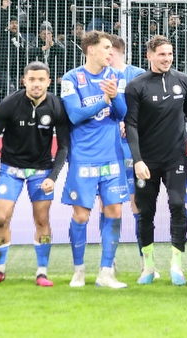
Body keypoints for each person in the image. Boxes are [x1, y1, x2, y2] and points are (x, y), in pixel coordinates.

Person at [0, 62, 70, 288]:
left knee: (42, 220)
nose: (36, 84)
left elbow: (64, 147)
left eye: (41, 80)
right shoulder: (10, 103)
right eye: (32, 80)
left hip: (41, 173)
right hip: (10, 171)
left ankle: (42, 272)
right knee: (1, 218)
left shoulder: (57, 106)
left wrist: (53, 176)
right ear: (24, 81)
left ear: (49, 82)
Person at [125, 35, 187, 286]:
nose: (167, 58)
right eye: (162, 54)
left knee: (178, 204)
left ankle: (177, 264)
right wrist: (137, 160)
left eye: (170, 53)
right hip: (146, 161)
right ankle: (149, 266)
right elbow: (130, 124)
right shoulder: (136, 85)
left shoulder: (183, 81)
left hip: (175, 156)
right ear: (150, 56)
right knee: (146, 213)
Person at [60, 30, 129, 289]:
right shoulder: (71, 78)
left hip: (112, 156)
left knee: (114, 211)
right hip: (84, 157)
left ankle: (106, 272)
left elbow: (122, 113)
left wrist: (116, 97)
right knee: (81, 215)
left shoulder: (116, 76)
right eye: (107, 47)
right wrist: (105, 99)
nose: (112, 52)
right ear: (91, 50)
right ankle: (79, 270)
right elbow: (76, 115)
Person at [108, 34, 146, 268]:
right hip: (107, 150)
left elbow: (151, 109)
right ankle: (108, 263)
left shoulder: (138, 75)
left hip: (133, 150)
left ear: (113, 51)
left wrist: (132, 123)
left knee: (137, 206)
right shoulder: (95, 76)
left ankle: (145, 262)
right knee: (111, 207)